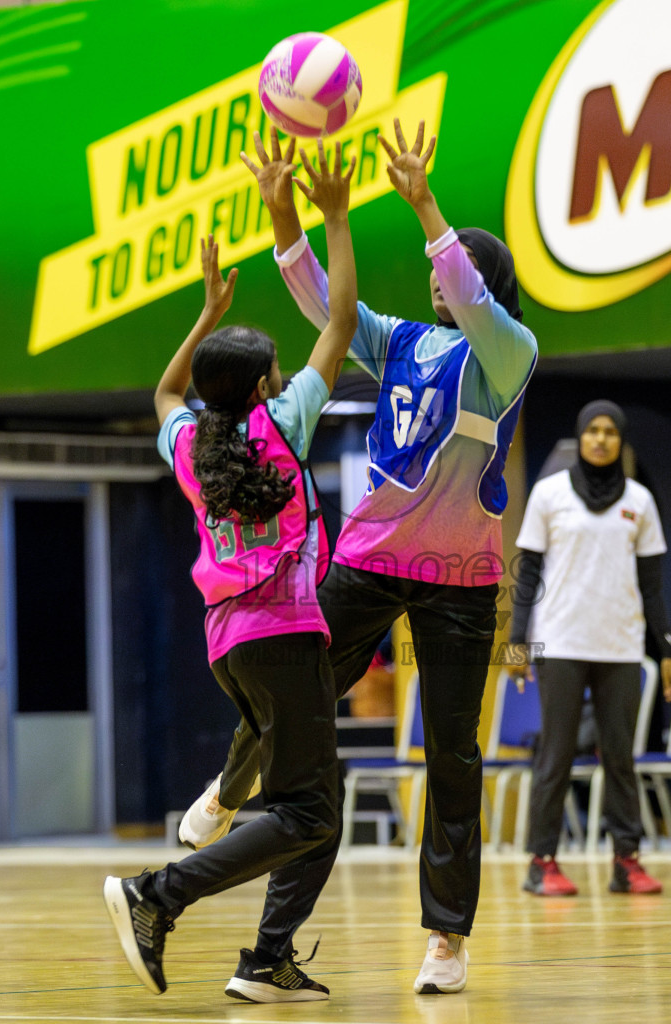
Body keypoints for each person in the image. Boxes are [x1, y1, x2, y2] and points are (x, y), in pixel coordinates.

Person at [179, 120, 537, 994]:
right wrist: (286, 220)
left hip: (461, 582)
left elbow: (464, 278)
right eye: (433, 272)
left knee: (453, 754)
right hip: (370, 559)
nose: (435, 280)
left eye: (450, 272)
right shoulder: (406, 342)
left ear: (483, 287)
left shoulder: (510, 354)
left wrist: (424, 204)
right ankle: (228, 792)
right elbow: (322, 306)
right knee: (295, 700)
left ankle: (446, 937)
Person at [102, 143, 357, 1004]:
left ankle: (266, 957)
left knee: (307, 800)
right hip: (285, 637)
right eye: (276, 370)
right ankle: (158, 894)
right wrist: (333, 213)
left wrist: (206, 311)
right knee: (311, 812)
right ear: (263, 383)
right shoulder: (283, 425)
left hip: (230, 647)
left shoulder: (194, 445)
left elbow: (165, 395)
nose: (289, 375)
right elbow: (343, 321)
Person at [507, 401, 671, 896]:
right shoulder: (549, 494)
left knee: (620, 757)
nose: (600, 439)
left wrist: (668, 651)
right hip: (560, 641)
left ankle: (627, 861)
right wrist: (518, 641)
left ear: (620, 441)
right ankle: (542, 862)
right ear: (580, 437)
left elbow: (653, 587)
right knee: (556, 756)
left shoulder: (640, 502)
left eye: (609, 432)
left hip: (622, 645)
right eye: (592, 431)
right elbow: (528, 576)